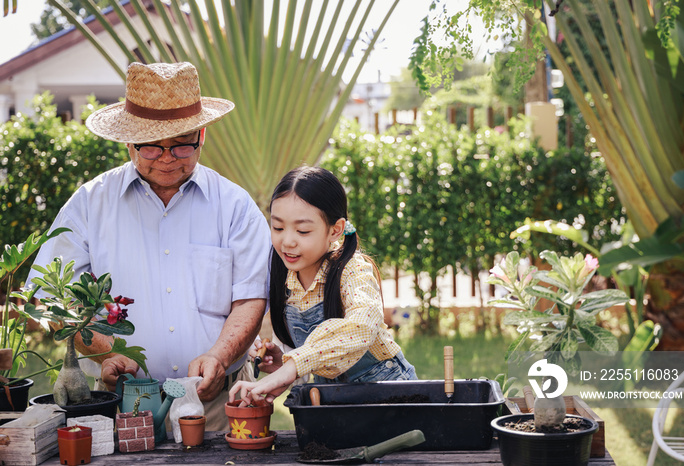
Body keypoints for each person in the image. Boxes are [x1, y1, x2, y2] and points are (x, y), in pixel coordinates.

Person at [28, 62, 270, 430]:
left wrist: (219, 357)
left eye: (182, 145)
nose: (169, 158)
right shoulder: (91, 203)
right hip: (118, 401)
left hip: (218, 406)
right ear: (128, 143)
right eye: (152, 149)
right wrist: (106, 354)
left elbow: (250, 298)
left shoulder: (235, 206)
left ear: (202, 135)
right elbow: (50, 295)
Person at [228, 166, 417, 406]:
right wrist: (284, 365)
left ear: (335, 230)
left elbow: (362, 324)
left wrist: (295, 364)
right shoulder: (284, 277)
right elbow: (317, 361)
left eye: (303, 230)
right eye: (277, 227)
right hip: (333, 404)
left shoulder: (353, 270)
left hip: (391, 400)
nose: (287, 241)